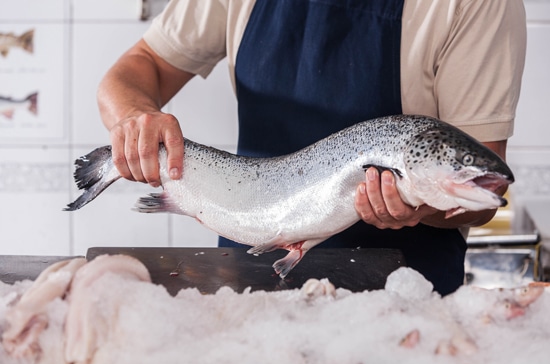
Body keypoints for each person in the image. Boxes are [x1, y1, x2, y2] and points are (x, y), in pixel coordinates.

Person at [97, 0, 526, 295]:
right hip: (249, 266)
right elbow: (139, 67)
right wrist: (134, 117)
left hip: (402, 298)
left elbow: (484, 197)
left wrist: (422, 207)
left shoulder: (477, 5)